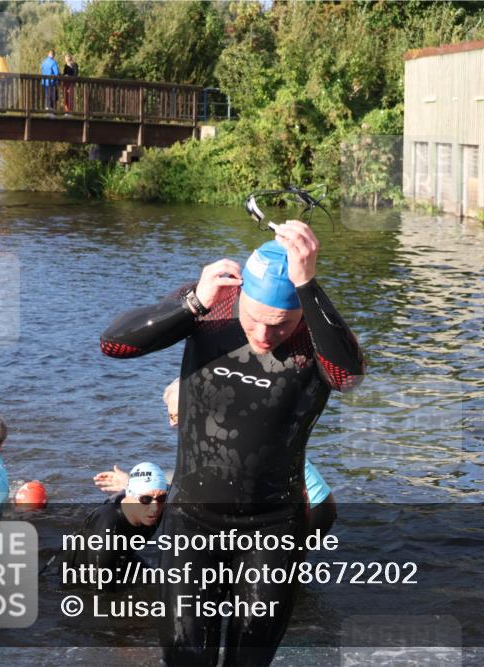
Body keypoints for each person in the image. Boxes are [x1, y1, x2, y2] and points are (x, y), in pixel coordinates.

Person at [100, 221, 365, 665]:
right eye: (255, 320)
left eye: (280, 326)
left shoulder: (317, 334)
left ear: (300, 312)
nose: (263, 337)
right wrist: (193, 302)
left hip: (273, 530)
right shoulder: (211, 308)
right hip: (191, 526)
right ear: (238, 298)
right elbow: (114, 345)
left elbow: (348, 377)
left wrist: (307, 284)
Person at [96, 377, 338, 535]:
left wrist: (132, 486)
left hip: (309, 508)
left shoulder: (225, 436)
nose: (171, 425)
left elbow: (195, 485)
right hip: (313, 504)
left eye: (175, 417)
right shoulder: (220, 426)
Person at [61, 462, 167, 592]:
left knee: (160, 582)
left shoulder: (159, 504)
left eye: (162, 498)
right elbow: (101, 592)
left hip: (122, 557)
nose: (155, 508)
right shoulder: (108, 527)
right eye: (145, 500)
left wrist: (128, 482)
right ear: (130, 495)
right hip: (83, 573)